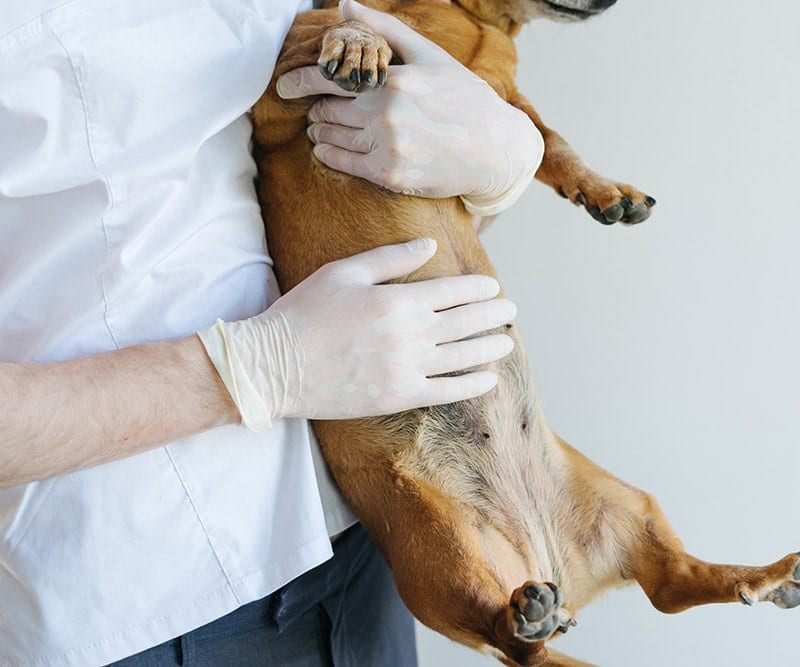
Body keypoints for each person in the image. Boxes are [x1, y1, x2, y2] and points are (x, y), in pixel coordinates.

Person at [0, 0, 544, 664]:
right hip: (141, 595)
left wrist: (486, 163)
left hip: (357, 539)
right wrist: (253, 369)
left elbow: (341, 175)